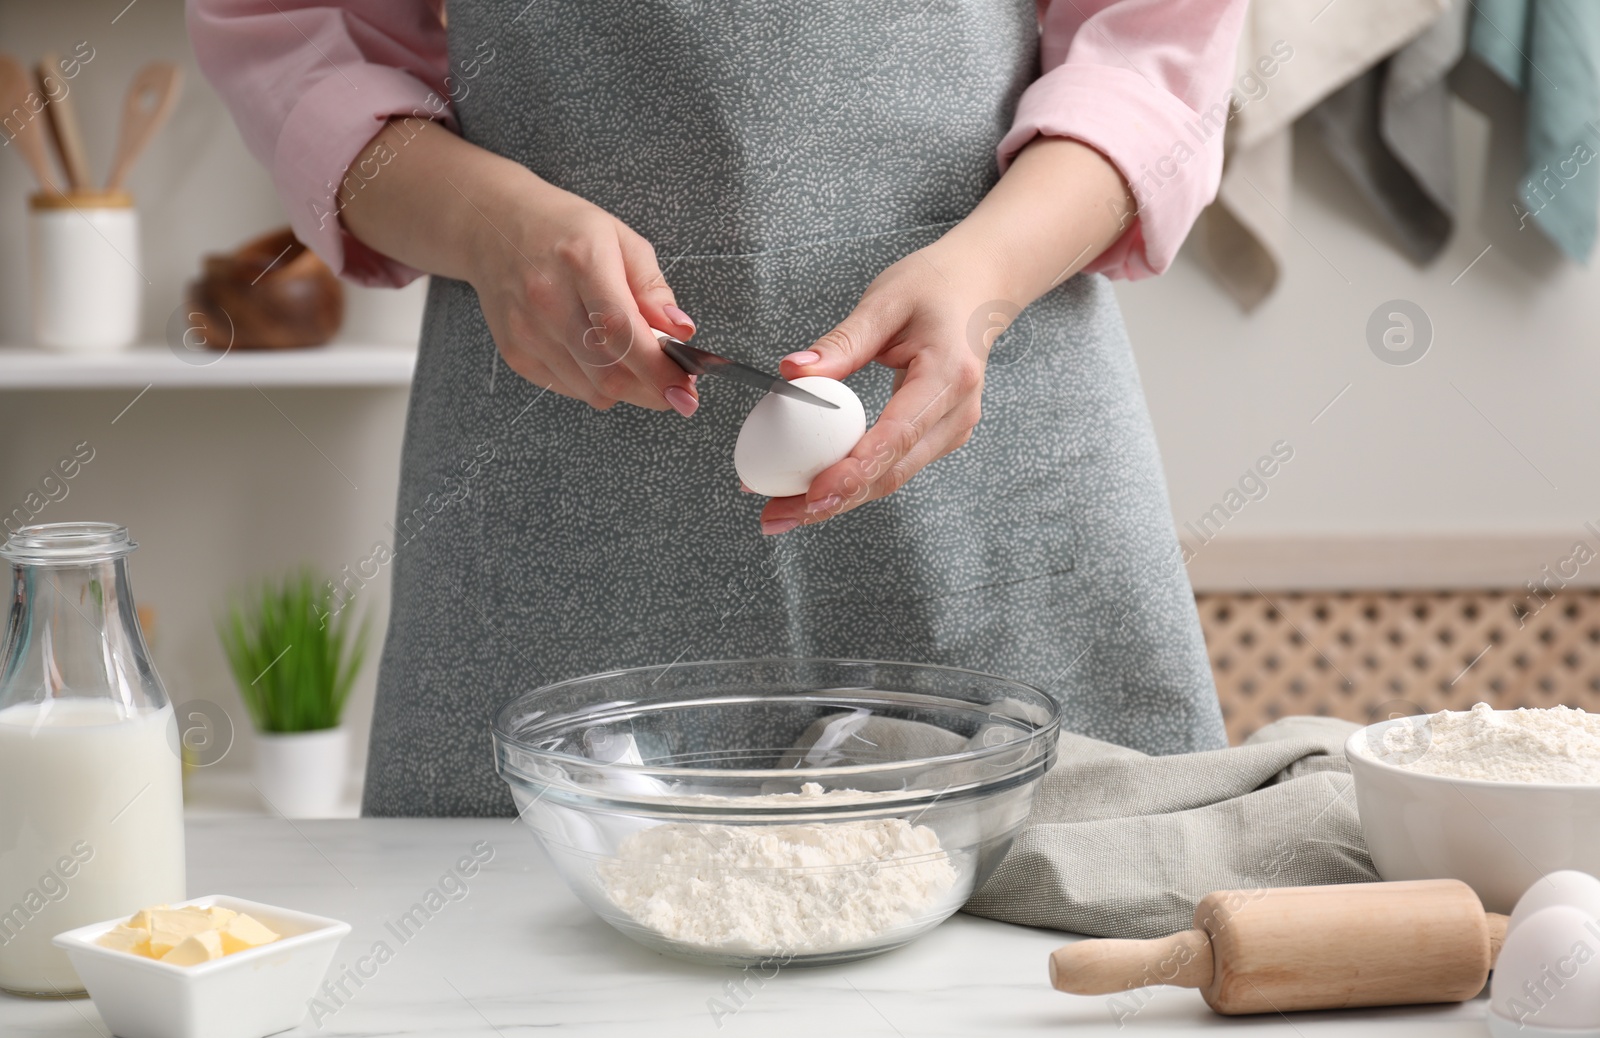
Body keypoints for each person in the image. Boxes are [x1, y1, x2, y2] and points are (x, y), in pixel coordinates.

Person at [190, 0, 1247, 816]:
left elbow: (1156, 37)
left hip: (993, 449)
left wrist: (990, 273)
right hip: (553, 488)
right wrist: (480, 222)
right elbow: (296, 33)